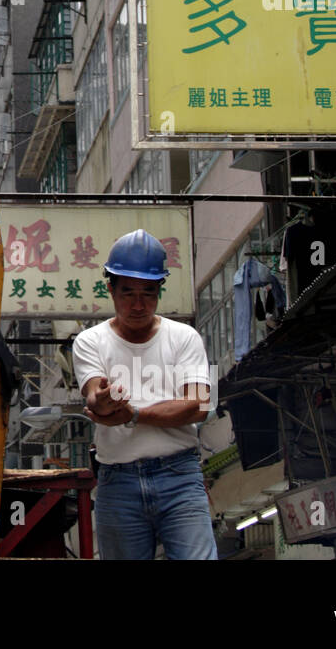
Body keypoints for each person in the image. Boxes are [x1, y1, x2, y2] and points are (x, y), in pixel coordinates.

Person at [71, 229, 217, 560]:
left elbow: (199, 406)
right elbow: (94, 394)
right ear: (110, 289)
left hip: (180, 476)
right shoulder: (90, 342)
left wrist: (133, 415)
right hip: (117, 481)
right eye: (128, 293)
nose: (138, 304)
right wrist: (103, 402)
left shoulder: (185, 337)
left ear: (160, 291)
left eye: (148, 294)